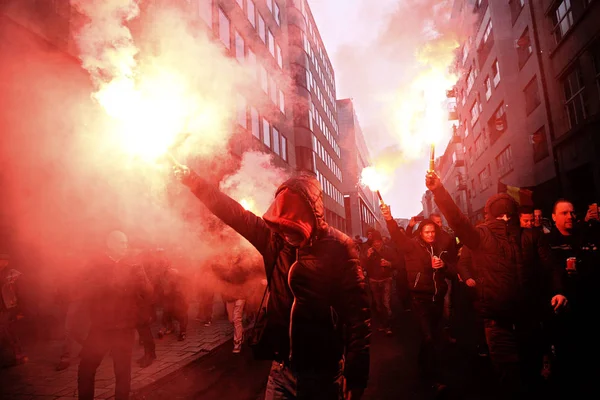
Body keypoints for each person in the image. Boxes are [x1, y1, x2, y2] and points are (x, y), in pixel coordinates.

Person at [174, 166, 370, 400]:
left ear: (310, 217)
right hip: (281, 371)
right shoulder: (273, 239)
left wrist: (356, 373)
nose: (286, 234)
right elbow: (232, 212)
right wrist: (190, 177)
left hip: (323, 372)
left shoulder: (340, 247)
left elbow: (359, 317)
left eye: (292, 229)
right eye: (282, 227)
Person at [425, 171, 567, 399]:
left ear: (489, 213)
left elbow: (458, 221)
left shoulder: (488, 236)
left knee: (511, 378)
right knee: (527, 376)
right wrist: (558, 290)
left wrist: (439, 191)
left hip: (505, 321)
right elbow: (551, 267)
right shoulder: (526, 235)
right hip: (518, 320)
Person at [381, 207, 450, 395]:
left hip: (437, 297)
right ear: (421, 233)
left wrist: (443, 265)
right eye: (427, 232)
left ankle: (422, 367)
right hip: (420, 298)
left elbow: (452, 268)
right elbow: (397, 236)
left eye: (433, 232)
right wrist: (389, 219)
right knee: (429, 338)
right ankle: (435, 379)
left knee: (433, 337)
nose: (430, 234)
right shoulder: (411, 245)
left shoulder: (438, 247)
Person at [77, 231, 152, 400]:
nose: (125, 246)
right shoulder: (96, 265)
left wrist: (142, 277)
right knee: (87, 368)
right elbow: (85, 291)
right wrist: (108, 285)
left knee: (123, 371)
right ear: (109, 244)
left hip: (124, 328)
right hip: (101, 328)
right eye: (121, 243)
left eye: (126, 243)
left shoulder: (131, 266)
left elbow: (148, 294)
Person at [547, 200, 600, 397]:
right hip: (564, 311)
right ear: (553, 217)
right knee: (568, 360)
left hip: (590, 306)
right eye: (564, 213)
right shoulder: (548, 243)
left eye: (572, 212)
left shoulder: (584, 236)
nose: (570, 216)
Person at [362, 230, 397, 335]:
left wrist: (389, 264)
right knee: (378, 304)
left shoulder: (388, 250)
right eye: (374, 242)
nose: (376, 244)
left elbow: (397, 263)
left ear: (382, 241)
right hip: (373, 280)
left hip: (386, 279)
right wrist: (367, 257)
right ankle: (382, 323)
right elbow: (362, 265)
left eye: (378, 241)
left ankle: (388, 325)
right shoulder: (368, 251)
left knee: (386, 302)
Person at [0, 251, 26, 368]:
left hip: (9, 307)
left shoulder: (13, 274)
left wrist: (20, 309)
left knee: (8, 330)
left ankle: (18, 355)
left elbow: (20, 292)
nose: (1, 263)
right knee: (5, 331)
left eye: (4, 261)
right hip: (2, 306)